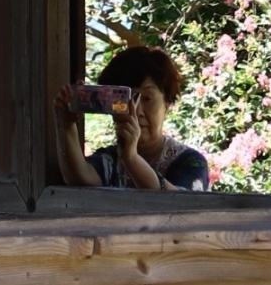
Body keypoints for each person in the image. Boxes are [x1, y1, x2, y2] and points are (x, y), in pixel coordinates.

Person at [53, 45, 209, 191]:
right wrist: (67, 124)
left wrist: (131, 159)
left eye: (147, 99)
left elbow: (178, 201)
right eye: (125, 99)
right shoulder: (110, 160)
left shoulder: (190, 161)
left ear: (167, 105)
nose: (137, 111)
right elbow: (78, 177)